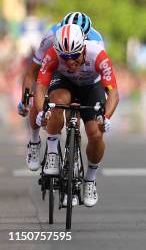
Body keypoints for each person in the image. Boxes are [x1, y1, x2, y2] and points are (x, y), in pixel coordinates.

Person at [33, 24, 119, 207]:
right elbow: (40, 87)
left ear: (84, 48)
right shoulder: (52, 55)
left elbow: (113, 94)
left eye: (74, 56)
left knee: (95, 133)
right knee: (57, 102)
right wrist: (42, 112)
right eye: (65, 57)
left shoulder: (98, 55)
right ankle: (53, 154)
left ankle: (90, 179)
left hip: (91, 87)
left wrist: (107, 117)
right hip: (65, 83)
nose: (70, 61)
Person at [21, 12, 104, 172]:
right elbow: (33, 72)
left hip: (84, 73)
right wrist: (24, 99)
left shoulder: (96, 42)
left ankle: (73, 151)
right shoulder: (51, 36)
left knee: (77, 107)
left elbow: (99, 77)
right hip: (57, 68)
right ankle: (35, 142)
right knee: (40, 97)